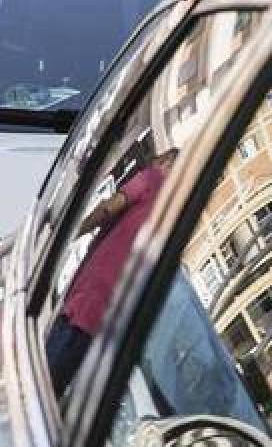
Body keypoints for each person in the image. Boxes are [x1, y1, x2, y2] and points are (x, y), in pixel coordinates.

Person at [46, 148, 179, 395]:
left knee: (41, 377)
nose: (152, 162)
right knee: (57, 385)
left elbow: (111, 207)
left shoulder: (153, 178)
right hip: (108, 318)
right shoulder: (171, 217)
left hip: (88, 298)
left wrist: (71, 233)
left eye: (158, 159)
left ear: (166, 162)